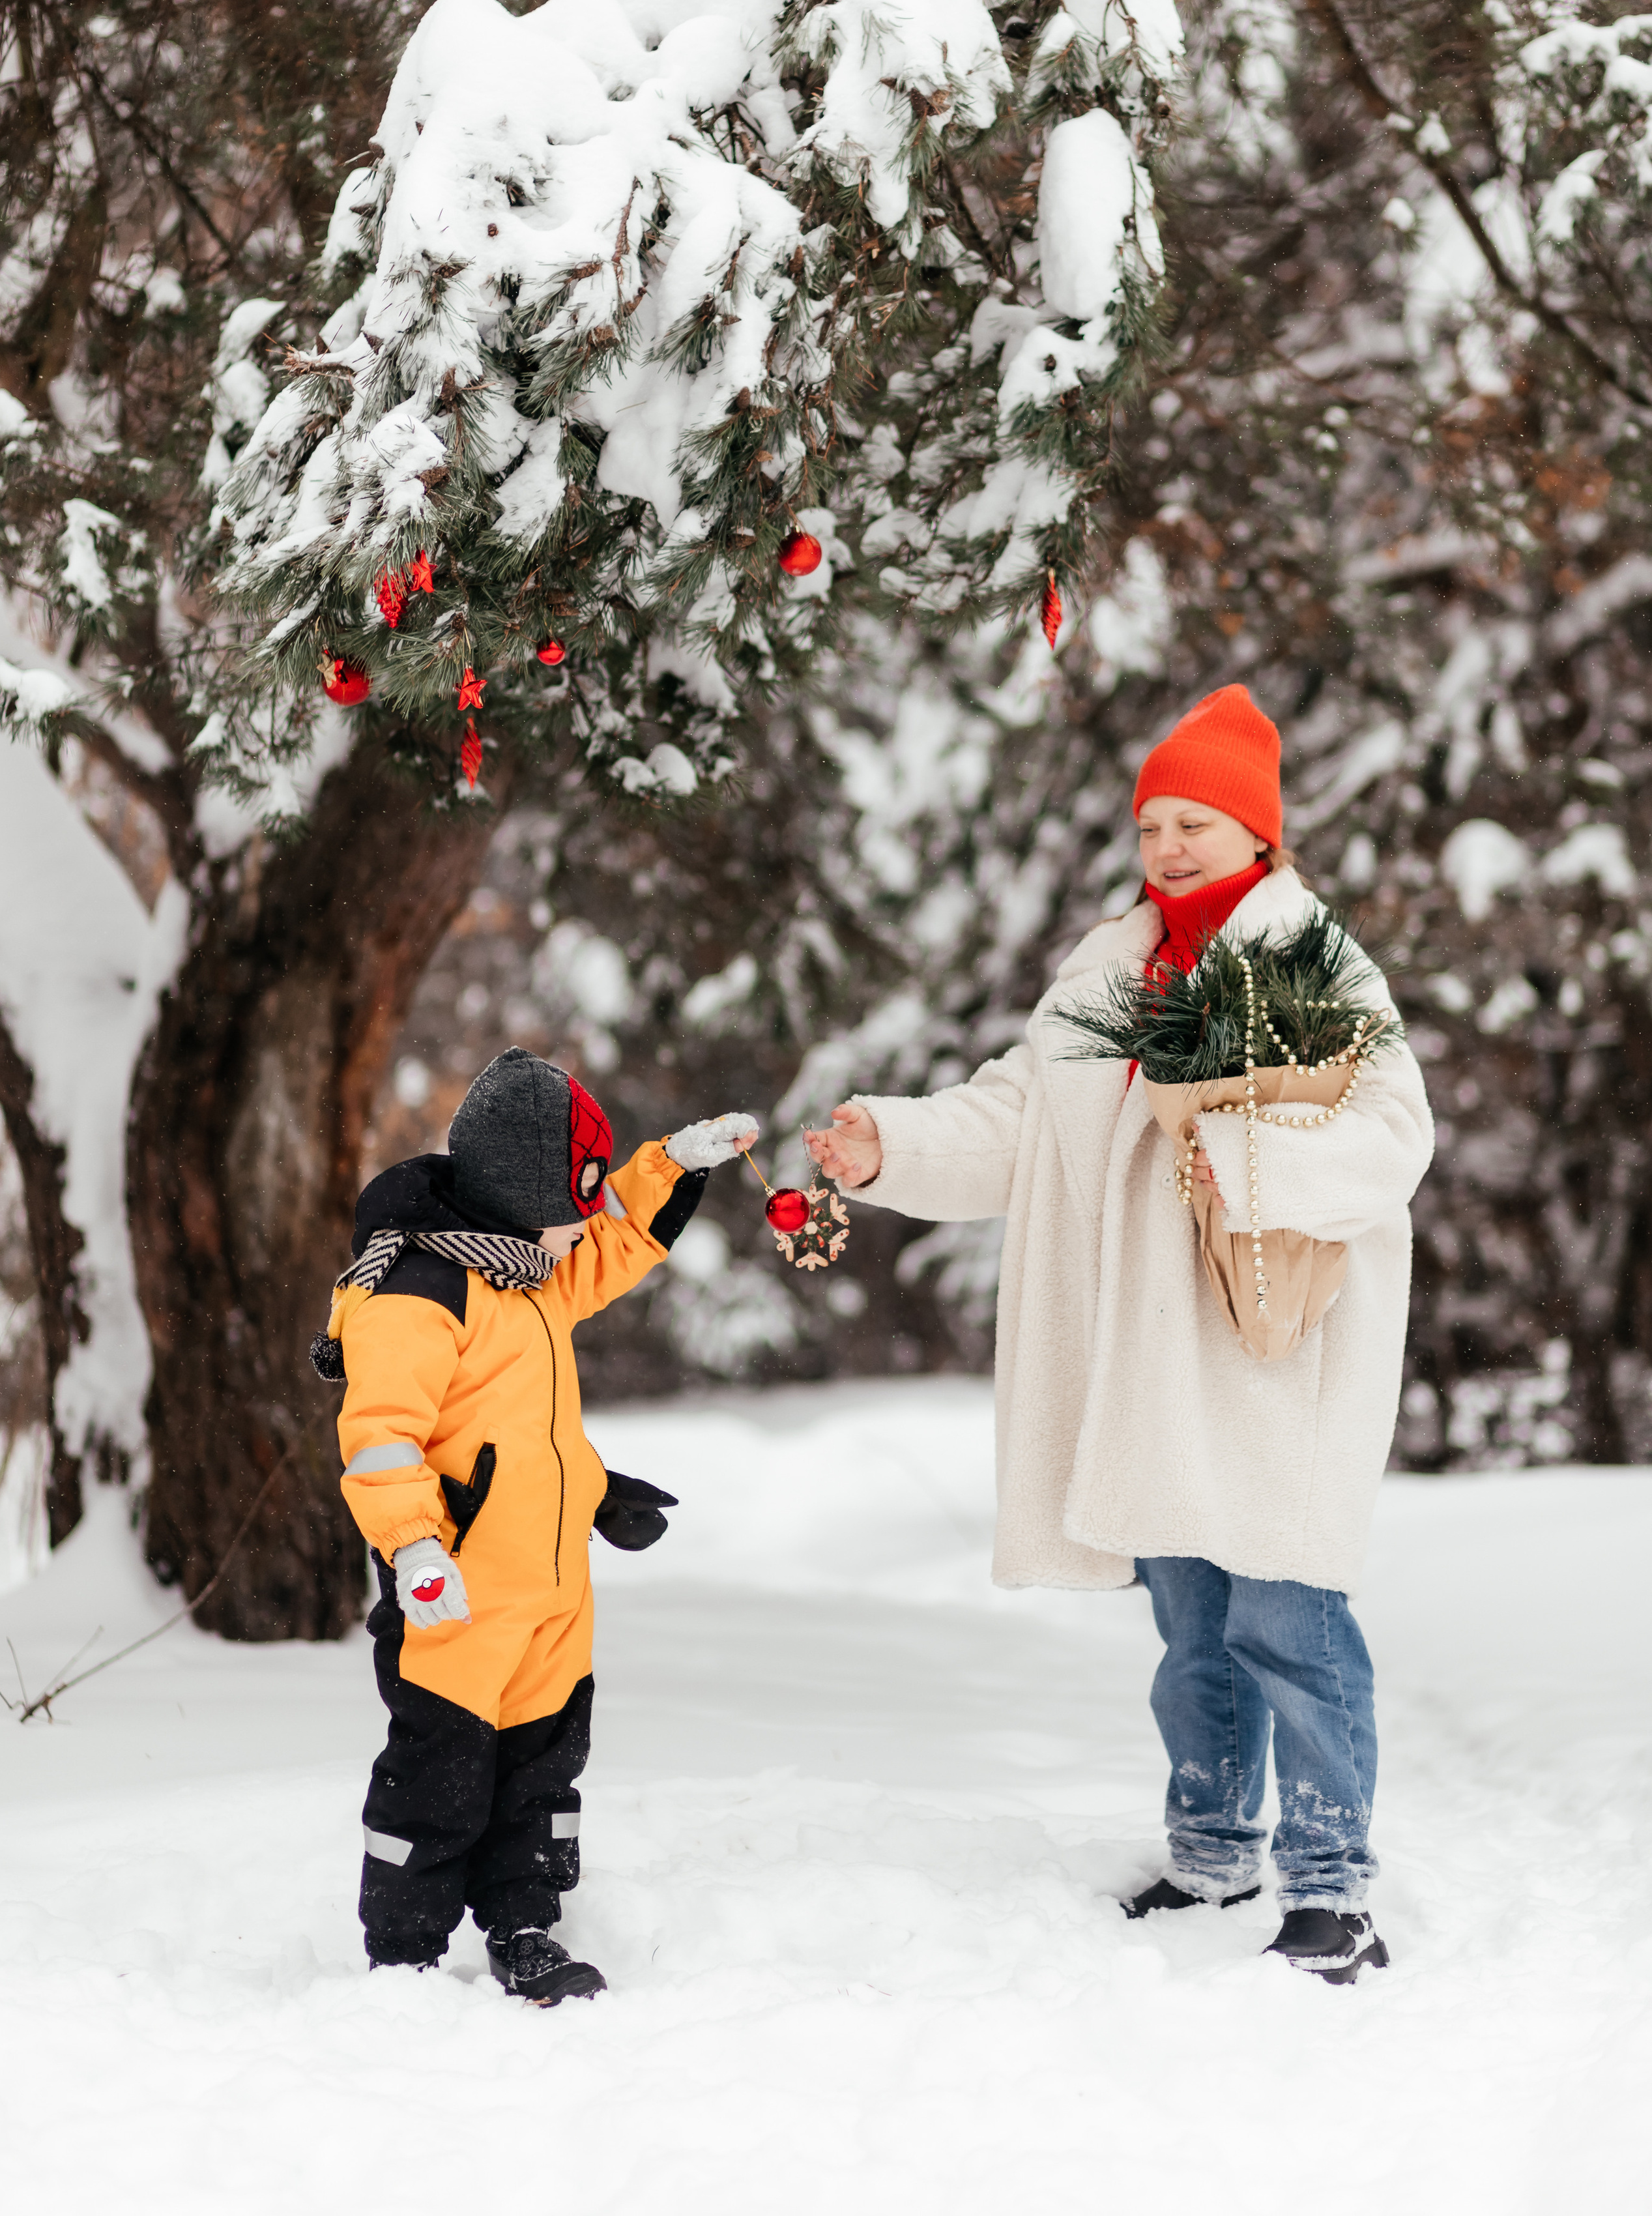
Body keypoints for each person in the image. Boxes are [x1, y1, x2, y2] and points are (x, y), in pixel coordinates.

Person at [805, 686, 1434, 1984]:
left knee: (1285, 1624)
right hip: (1148, 1368)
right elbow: (1017, 1124)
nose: (1168, 846)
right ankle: (1209, 1855)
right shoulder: (1103, 971)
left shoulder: (1312, 963)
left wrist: (1242, 1156)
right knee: (1191, 1634)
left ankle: (1331, 1886)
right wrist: (890, 1144)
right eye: (1152, 823)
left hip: (1271, 1361)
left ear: (1256, 836)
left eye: (1195, 821)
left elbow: (1389, 1139)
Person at [324, 1045, 757, 2004]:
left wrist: (671, 1167)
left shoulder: (528, 1271)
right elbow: (381, 1441)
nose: (586, 1228)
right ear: (523, 1195)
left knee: (539, 1779)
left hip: (551, 1601)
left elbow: (533, 1413)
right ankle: (404, 1957)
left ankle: (524, 1925)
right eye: (578, 1203)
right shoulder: (420, 1293)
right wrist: (416, 1549)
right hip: (457, 1602)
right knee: (438, 1781)